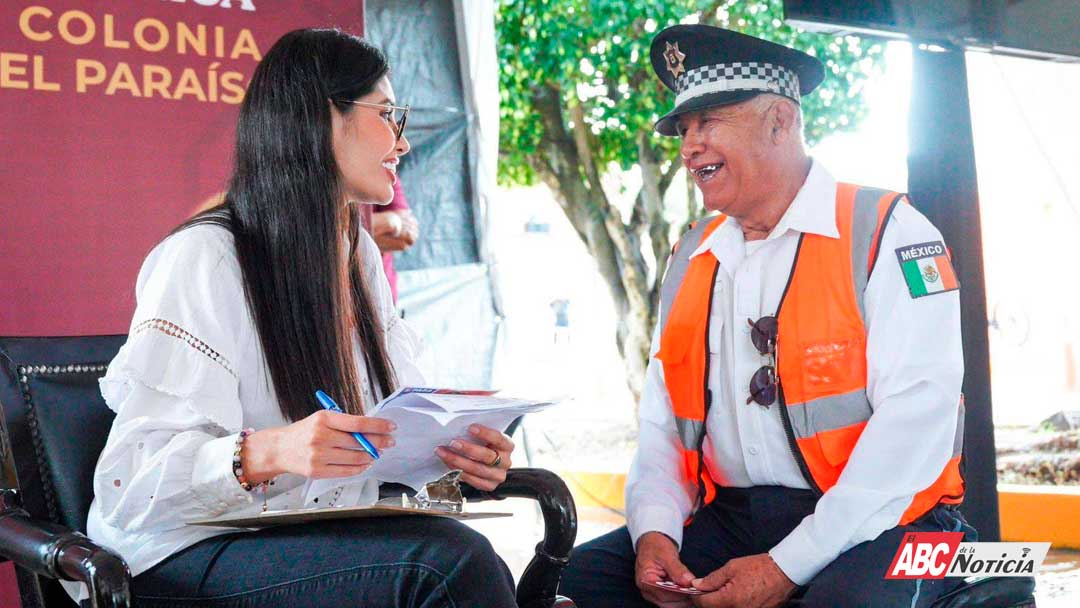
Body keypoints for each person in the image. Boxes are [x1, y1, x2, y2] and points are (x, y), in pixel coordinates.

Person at [66, 29, 517, 608]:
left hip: (297, 535)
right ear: (318, 118)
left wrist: (457, 457)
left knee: (461, 555)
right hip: (175, 556)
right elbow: (131, 483)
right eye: (388, 114)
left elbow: (394, 422)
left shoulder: (355, 254)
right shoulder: (204, 257)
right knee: (444, 566)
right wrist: (268, 452)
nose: (401, 142)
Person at [559, 25, 971, 608]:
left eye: (708, 122)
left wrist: (785, 566)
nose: (688, 146)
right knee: (580, 581)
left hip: (895, 522)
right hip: (733, 518)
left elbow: (915, 427)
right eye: (683, 129)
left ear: (780, 121)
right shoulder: (690, 257)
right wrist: (654, 532)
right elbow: (661, 425)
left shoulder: (888, 233)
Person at [372, 180, 420, 302]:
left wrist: (389, 221)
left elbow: (405, 239)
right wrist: (389, 221)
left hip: (382, 295)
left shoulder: (387, 171)